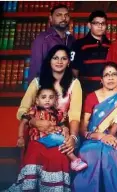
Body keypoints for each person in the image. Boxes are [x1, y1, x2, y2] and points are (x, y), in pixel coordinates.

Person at [8, 44, 82, 191]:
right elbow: (22, 110)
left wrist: (72, 138)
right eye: (55, 58)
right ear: (49, 61)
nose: (59, 61)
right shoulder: (38, 82)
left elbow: (74, 115)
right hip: (37, 132)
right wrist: (35, 121)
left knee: (59, 152)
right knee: (36, 149)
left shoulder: (74, 84)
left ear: (68, 62)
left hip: (63, 132)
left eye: (63, 58)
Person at [73, 62, 117, 192]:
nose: (111, 78)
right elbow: (82, 127)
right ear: (101, 80)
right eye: (107, 75)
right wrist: (98, 136)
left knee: (110, 152)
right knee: (91, 152)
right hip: (94, 137)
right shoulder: (92, 97)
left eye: (114, 74)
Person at [17, 87, 87, 172]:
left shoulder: (56, 112)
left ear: (55, 101)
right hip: (40, 137)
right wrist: (20, 137)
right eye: (43, 97)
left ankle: (72, 156)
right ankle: (74, 160)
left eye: (51, 97)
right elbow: (23, 122)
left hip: (53, 135)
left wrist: (65, 129)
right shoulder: (34, 110)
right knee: (59, 139)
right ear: (37, 100)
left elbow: (61, 124)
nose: (47, 100)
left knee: (64, 139)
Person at [28, 4, 75, 83]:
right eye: (59, 15)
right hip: (48, 87)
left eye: (66, 15)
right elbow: (36, 68)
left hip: (67, 87)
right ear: (51, 18)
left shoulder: (71, 39)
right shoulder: (43, 39)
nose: (63, 18)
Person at [71, 10, 111, 96]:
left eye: (103, 23)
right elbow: (74, 71)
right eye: (96, 23)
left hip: (107, 93)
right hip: (85, 92)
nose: (100, 26)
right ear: (89, 25)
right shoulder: (79, 44)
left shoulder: (110, 45)